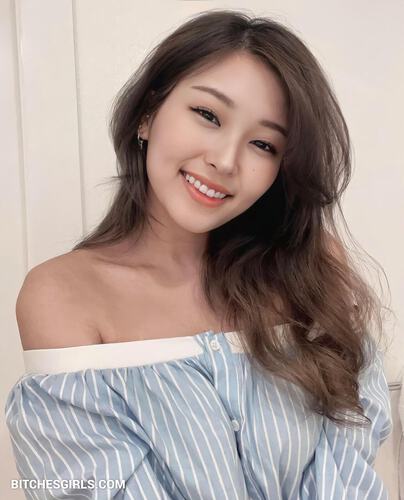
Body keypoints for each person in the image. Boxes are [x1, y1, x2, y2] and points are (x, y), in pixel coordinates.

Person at [5, 9, 392, 500]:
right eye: (208, 115)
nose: (225, 161)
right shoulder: (64, 297)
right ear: (148, 114)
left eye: (263, 144)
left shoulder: (311, 272)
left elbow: (350, 466)